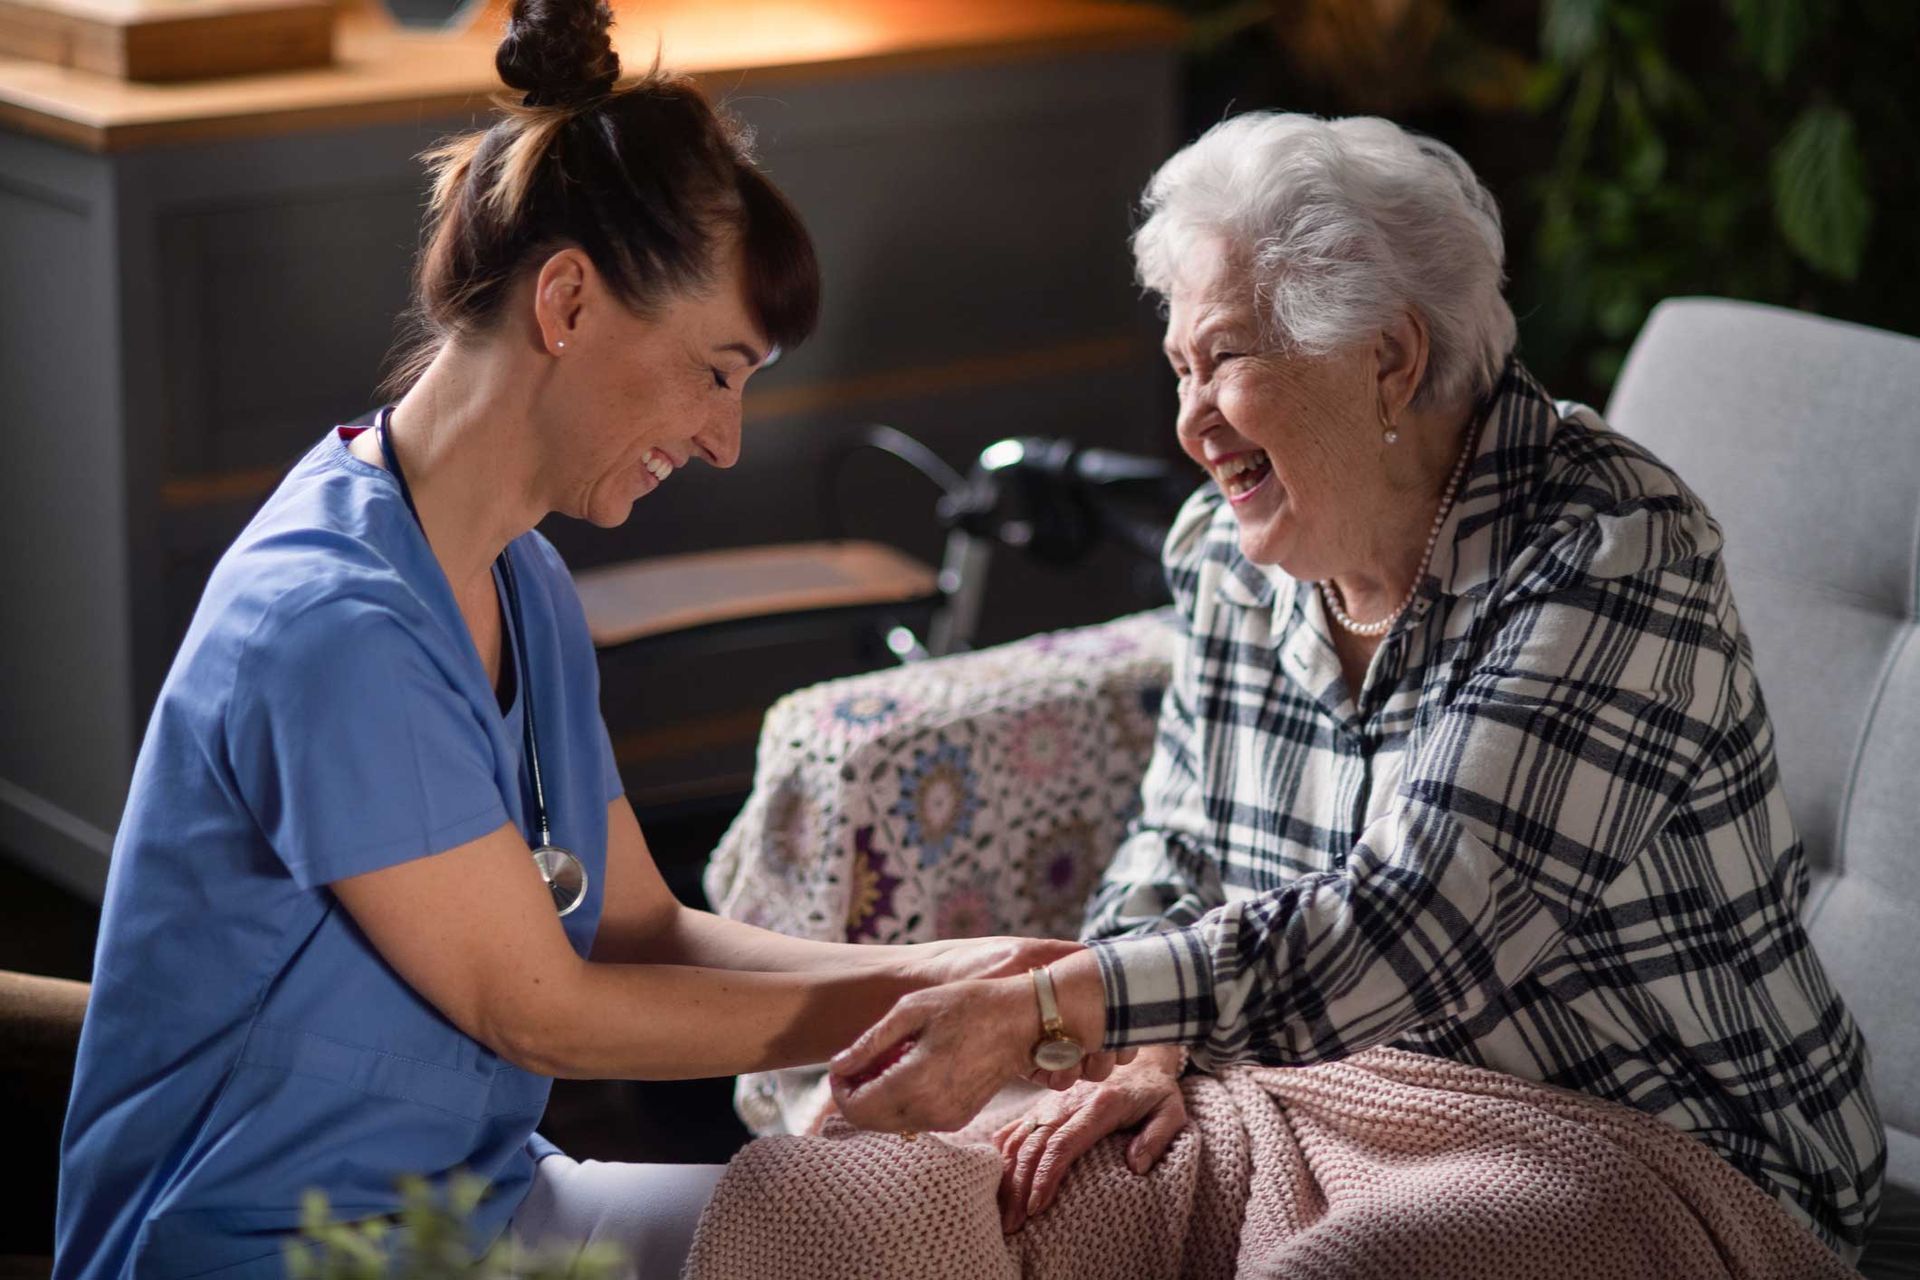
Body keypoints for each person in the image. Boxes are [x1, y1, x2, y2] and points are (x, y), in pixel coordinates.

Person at [51, 2, 1104, 1275]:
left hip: (480, 1204)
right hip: (275, 1243)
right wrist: (935, 997)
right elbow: (539, 1009)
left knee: (918, 1218)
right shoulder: (329, 622)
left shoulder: (526, 583)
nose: (724, 439)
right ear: (565, 301)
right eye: (716, 371)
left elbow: (641, 931)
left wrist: (968, 969)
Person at [826, 112, 1885, 1262]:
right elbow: (1175, 845)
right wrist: (1146, 1051)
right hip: (1329, 1097)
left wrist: (1056, 1006)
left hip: (1669, 1151)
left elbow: (1417, 920)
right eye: (1181, 366)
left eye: (1225, 359)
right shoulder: (1228, 558)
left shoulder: (1615, 555)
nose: (1190, 424)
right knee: (894, 1205)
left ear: (1389, 356)